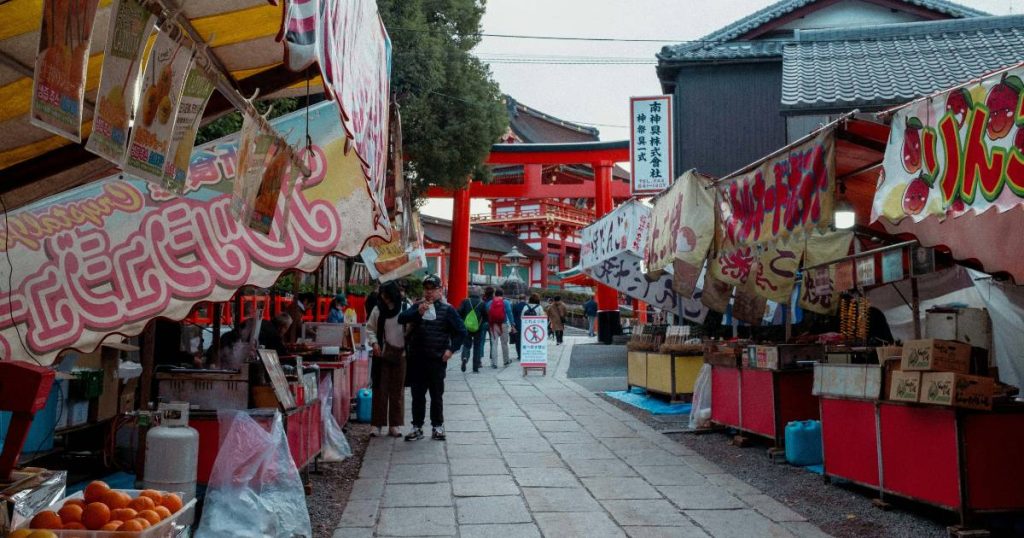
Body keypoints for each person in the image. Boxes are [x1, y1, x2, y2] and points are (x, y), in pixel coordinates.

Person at [398, 274, 466, 441]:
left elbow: (461, 331)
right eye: (426, 289)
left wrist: (451, 350)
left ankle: (437, 426)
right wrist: (417, 313)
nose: (429, 293)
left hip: (437, 359)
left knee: (436, 395)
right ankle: (417, 426)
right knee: (417, 395)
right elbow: (401, 318)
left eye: (432, 289)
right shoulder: (417, 306)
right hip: (417, 358)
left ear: (439, 290)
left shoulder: (448, 309)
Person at [366, 281, 406, 438]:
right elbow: (370, 328)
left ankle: (394, 425)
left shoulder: (404, 307)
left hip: (400, 354)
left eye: (387, 295)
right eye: (382, 295)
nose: (384, 298)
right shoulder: (378, 309)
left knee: (397, 391)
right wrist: (374, 342)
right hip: (381, 354)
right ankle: (377, 424)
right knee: (379, 389)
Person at [457, 286, 487, 373]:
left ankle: (465, 358)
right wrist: (481, 324)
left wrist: (462, 321)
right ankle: (475, 367)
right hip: (478, 328)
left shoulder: (465, 301)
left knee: (466, 344)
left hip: (466, 327)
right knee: (477, 347)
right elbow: (486, 316)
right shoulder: (482, 303)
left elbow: (459, 312)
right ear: (479, 294)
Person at [485, 288, 514, 367]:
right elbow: (509, 314)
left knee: (494, 344)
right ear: (502, 294)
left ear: (495, 294)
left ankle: (494, 363)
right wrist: (512, 324)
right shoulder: (506, 302)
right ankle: (506, 361)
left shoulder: (490, 302)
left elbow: (487, 313)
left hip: (493, 325)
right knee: (504, 343)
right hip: (503, 324)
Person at [511, 295, 527, 359]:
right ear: (525, 299)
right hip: (526, 326)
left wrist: (512, 326)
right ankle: (525, 354)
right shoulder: (527, 306)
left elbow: (513, 316)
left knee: (518, 342)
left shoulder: (515, 306)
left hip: (517, 325)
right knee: (525, 341)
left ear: (519, 299)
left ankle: (519, 355)